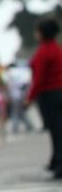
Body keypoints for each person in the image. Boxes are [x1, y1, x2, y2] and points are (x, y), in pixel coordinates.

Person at [27, 18, 62, 179]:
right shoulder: (56, 49)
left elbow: (39, 78)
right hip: (57, 93)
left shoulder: (44, 52)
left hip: (51, 95)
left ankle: (59, 164)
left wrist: (30, 97)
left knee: (57, 131)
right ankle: (56, 160)